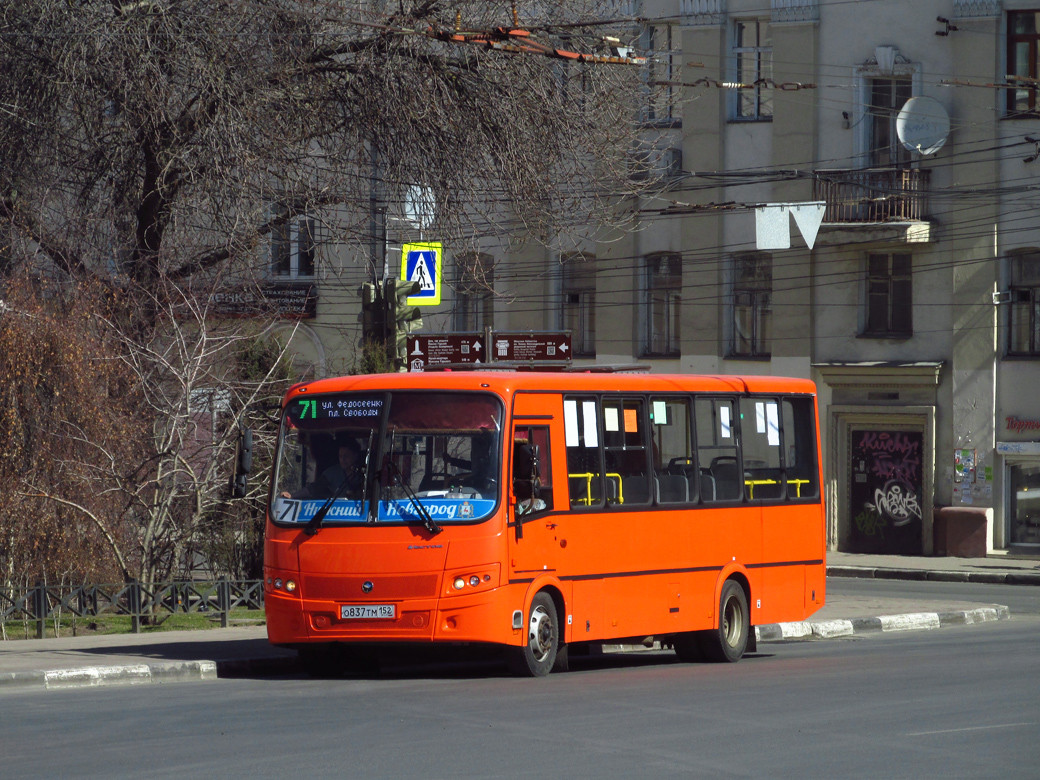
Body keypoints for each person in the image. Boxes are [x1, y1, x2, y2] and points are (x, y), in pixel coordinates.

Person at [283, 437, 364, 499]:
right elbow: (314, 488)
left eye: (346, 456)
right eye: (340, 456)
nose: (343, 459)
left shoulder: (365, 472)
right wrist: (292, 495)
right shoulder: (333, 473)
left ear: (355, 456)